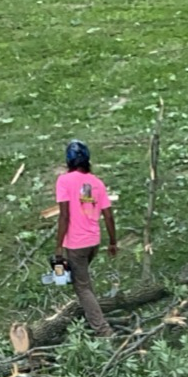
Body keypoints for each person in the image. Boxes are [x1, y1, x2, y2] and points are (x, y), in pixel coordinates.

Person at [45, 139, 117, 336]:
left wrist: (59, 246)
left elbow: (65, 215)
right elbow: (108, 215)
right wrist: (113, 242)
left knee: (81, 287)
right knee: (82, 279)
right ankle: (92, 313)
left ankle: (102, 329)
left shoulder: (64, 181)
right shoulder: (95, 183)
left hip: (76, 244)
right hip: (93, 241)